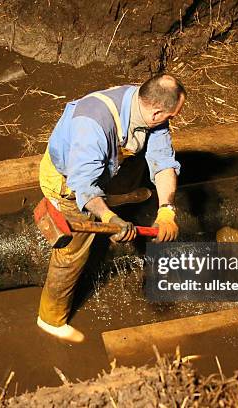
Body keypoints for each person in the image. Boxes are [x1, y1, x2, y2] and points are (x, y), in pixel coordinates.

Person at [36, 74, 186, 342]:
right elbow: (82, 184)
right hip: (68, 181)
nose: (171, 121)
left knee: (139, 166)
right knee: (74, 250)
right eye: (170, 116)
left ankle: (121, 196)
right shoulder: (93, 123)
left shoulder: (145, 105)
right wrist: (109, 218)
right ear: (155, 112)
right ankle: (50, 319)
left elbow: (163, 162)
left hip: (110, 165)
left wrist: (166, 210)